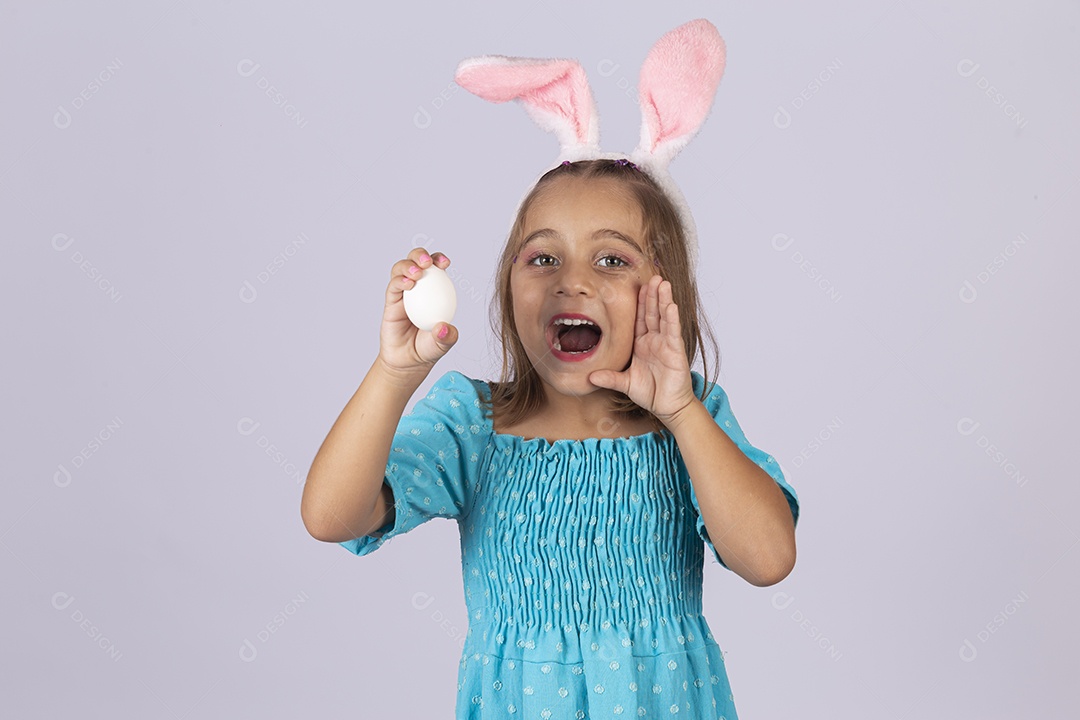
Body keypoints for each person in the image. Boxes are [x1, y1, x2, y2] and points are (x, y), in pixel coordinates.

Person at [301, 156, 800, 719]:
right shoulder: (474, 424)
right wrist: (395, 373)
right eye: (543, 258)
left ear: (664, 288)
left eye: (611, 259)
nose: (572, 282)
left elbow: (768, 559)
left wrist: (681, 411)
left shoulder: (690, 418)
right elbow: (331, 517)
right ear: (509, 286)